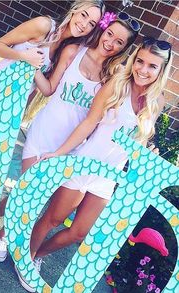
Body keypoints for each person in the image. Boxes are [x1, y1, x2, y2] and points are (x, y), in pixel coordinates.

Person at [0, 0, 104, 225]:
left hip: (8, 104)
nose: (84, 23)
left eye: (92, 23)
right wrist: (25, 57)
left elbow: (39, 87)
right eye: (84, 15)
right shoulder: (44, 25)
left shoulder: (65, 49)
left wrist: (19, 113)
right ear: (75, 10)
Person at [13, 12, 141, 292]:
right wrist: (30, 62)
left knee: (44, 205)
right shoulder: (74, 51)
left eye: (120, 42)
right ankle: (6, 240)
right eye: (110, 35)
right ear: (103, 31)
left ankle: (16, 244)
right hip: (46, 136)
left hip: (74, 148)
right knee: (29, 197)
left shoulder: (114, 77)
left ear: (124, 48)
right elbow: (48, 89)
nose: (111, 43)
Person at [29, 37, 172, 279]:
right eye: (140, 61)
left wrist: (147, 153)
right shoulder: (117, 86)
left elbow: (138, 142)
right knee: (52, 219)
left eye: (152, 66)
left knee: (79, 232)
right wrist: (60, 152)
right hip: (85, 164)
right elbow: (88, 123)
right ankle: (26, 258)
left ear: (162, 70)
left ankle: (36, 256)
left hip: (108, 178)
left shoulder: (155, 102)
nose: (143, 70)